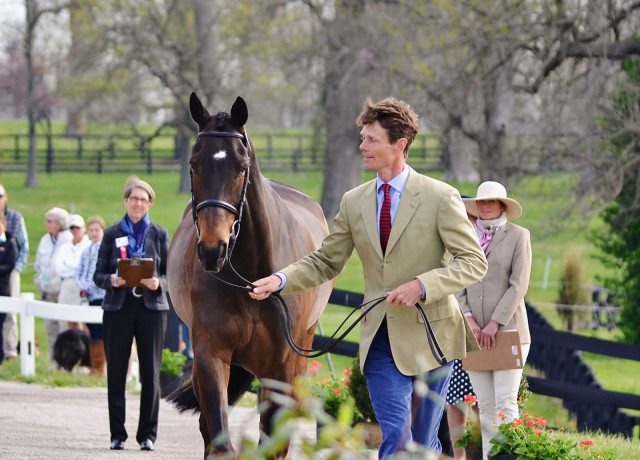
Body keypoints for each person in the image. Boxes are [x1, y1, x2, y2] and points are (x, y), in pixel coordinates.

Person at [250, 97, 487, 458]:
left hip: (435, 338)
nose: (362, 146)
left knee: (424, 444)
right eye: (363, 138)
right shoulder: (354, 201)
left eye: (372, 140)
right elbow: (326, 261)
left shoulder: (441, 197)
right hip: (381, 339)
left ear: (400, 145)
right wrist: (280, 280)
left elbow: (473, 262)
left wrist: (422, 286)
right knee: (396, 436)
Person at [94, 176, 169, 452]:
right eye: (133, 198)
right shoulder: (112, 234)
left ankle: (147, 435)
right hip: (118, 308)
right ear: (126, 201)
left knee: (150, 373)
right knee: (116, 372)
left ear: (149, 204)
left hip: (151, 310)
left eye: (143, 199)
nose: (138, 203)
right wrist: (111, 280)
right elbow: (97, 275)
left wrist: (159, 282)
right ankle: (117, 434)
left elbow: (171, 274)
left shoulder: (159, 234)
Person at [458, 181, 532, 460]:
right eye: (481, 202)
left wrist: (493, 324)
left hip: (509, 331)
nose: (485, 206)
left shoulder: (518, 236)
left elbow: (518, 285)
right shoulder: (465, 237)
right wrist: (470, 321)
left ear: (502, 205)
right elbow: (458, 282)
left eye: (491, 202)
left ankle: (509, 457)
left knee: (505, 402)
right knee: (486, 406)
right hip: (474, 335)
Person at [446, 195, 480, 460]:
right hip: (456, 327)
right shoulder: (449, 245)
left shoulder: (487, 244)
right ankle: (460, 456)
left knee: (482, 398)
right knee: (455, 396)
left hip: (484, 330)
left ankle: (482, 452)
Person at [34, 207, 72, 367]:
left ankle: (66, 363)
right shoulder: (45, 240)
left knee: (64, 330)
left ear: (59, 224)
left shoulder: (68, 239)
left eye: (49, 221)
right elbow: (38, 264)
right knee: (50, 330)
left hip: (62, 292)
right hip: (46, 291)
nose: (46, 224)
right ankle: (54, 362)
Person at [75, 216, 107, 376]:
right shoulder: (86, 250)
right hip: (88, 296)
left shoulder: (104, 249)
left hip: (100, 294)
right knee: (92, 330)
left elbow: (99, 273)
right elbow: (79, 270)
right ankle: (94, 365)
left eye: (97, 230)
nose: (94, 233)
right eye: (91, 230)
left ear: (102, 231)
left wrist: (88, 285)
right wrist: (81, 285)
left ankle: (100, 367)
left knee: (101, 331)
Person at [0, 184, 29, 362]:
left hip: (10, 271)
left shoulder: (15, 217)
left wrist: (15, 268)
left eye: (0, 196)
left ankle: (10, 350)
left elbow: (23, 245)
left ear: (6, 197)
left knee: (11, 311)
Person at [54, 214, 90, 330]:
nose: (75, 230)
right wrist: (75, 268)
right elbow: (59, 268)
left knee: (85, 322)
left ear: (83, 228)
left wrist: (73, 268)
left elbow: (84, 268)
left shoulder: (88, 246)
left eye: (77, 227)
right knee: (68, 321)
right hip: (67, 286)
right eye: (72, 228)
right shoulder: (64, 247)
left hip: (83, 286)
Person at [0, 213, 19, 364]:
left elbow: (10, 265)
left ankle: (3, 354)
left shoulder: (9, 243)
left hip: (3, 287)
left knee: (3, 321)